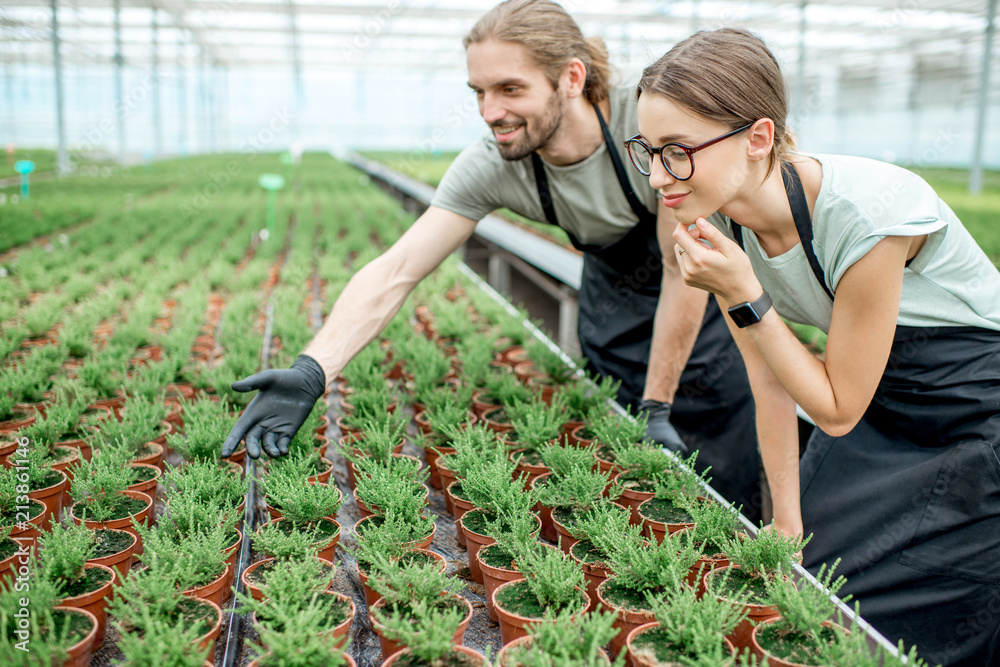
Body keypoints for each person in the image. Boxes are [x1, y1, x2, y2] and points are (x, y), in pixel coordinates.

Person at [221, 0, 762, 523]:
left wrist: (659, 405)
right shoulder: (495, 163)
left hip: (699, 312)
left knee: (721, 500)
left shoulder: (644, 123)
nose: (490, 112)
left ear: (571, 78)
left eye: (510, 89)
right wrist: (313, 368)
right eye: (479, 92)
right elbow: (398, 268)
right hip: (612, 314)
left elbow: (679, 268)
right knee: (629, 492)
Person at [629, 27, 1000, 667]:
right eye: (649, 150)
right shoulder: (717, 224)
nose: (660, 175)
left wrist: (748, 295)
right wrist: (784, 519)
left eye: (679, 151)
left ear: (758, 138)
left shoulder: (865, 214)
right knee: (815, 568)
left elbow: (834, 411)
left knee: (902, 596)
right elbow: (769, 377)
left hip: (971, 406)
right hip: (875, 391)